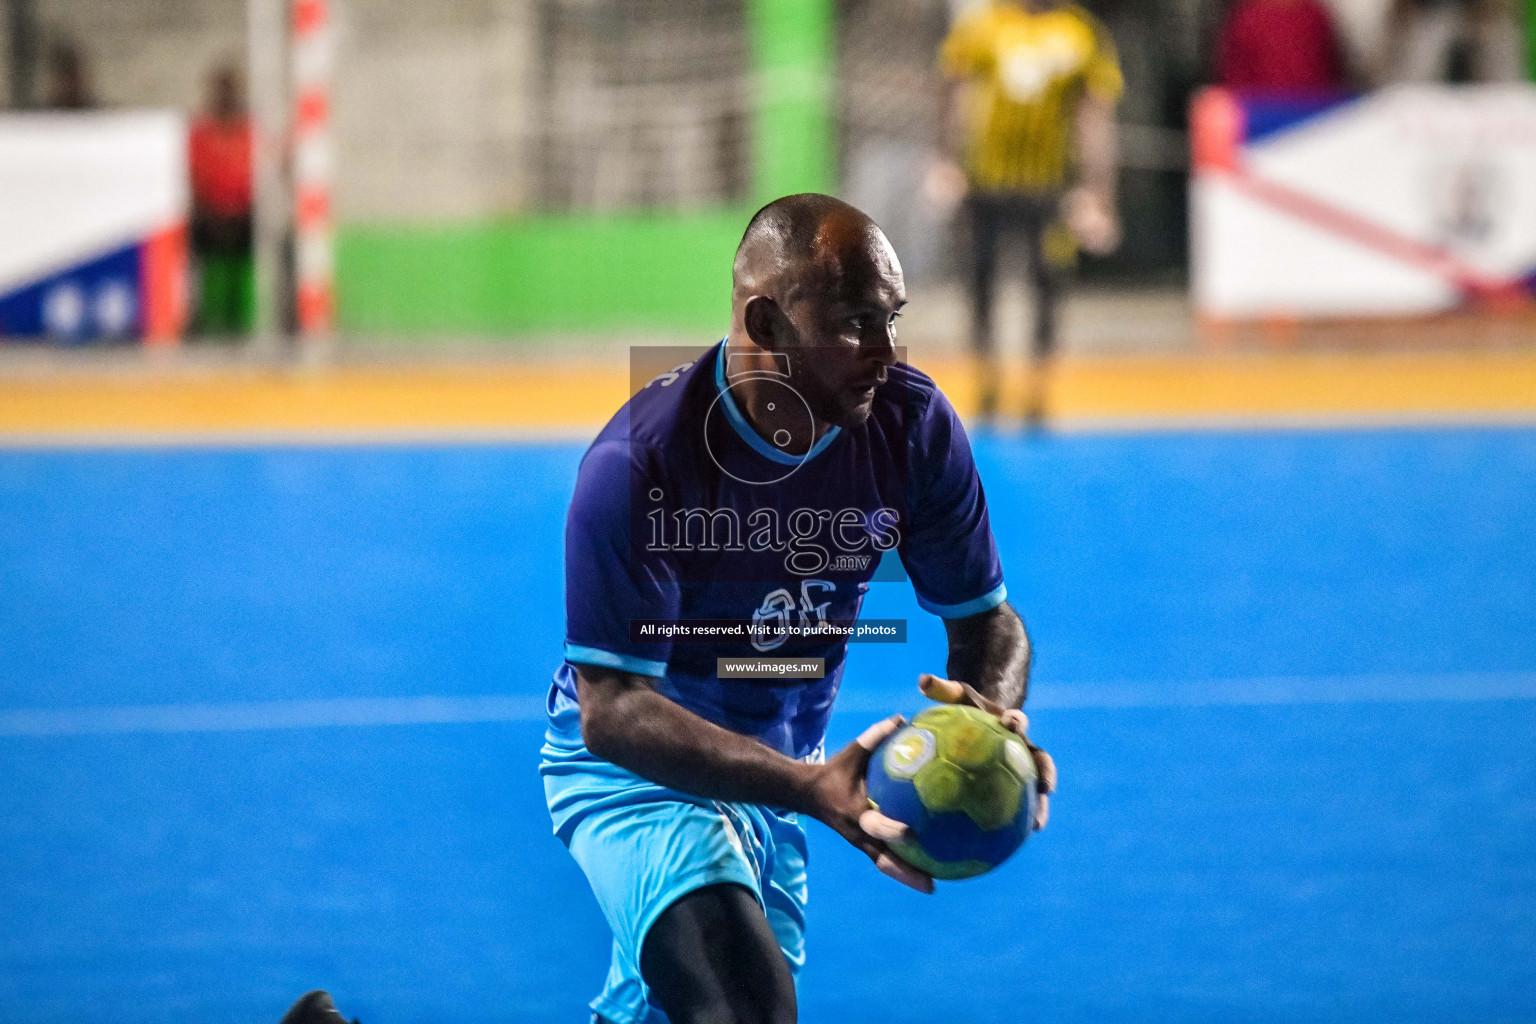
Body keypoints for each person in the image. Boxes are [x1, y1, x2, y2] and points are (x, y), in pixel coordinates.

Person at [540, 193, 1056, 1024]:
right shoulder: (642, 464)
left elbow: (987, 622)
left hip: (784, 769)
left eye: (894, 320)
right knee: (747, 1012)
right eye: (856, 324)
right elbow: (614, 713)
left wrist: (994, 723)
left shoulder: (909, 426)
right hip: (636, 772)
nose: (887, 352)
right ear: (768, 324)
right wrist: (808, 785)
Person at [932, 0, 1123, 426]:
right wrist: (945, 161)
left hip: (1049, 188)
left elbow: (1094, 117)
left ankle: (1037, 391)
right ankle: (986, 383)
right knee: (979, 279)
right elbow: (951, 87)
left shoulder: (1080, 32)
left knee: (1047, 283)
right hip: (985, 183)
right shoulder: (983, 26)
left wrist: (1098, 194)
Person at [189, 63, 255, 337]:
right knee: (183, 242)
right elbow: (196, 181)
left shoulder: (249, 131)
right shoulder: (201, 134)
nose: (225, 96)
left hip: (245, 217)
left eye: (230, 90)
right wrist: (211, 213)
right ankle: (192, 316)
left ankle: (281, 318)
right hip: (210, 217)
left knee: (279, 242)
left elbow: (254, 179)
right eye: (220, 90)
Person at [1216, 0, 1350, 92]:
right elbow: (1236, 84)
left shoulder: (1314, 16)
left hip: (1316, 119)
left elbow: (1331, 74)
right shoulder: (1247, 22)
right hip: (1263, 120)